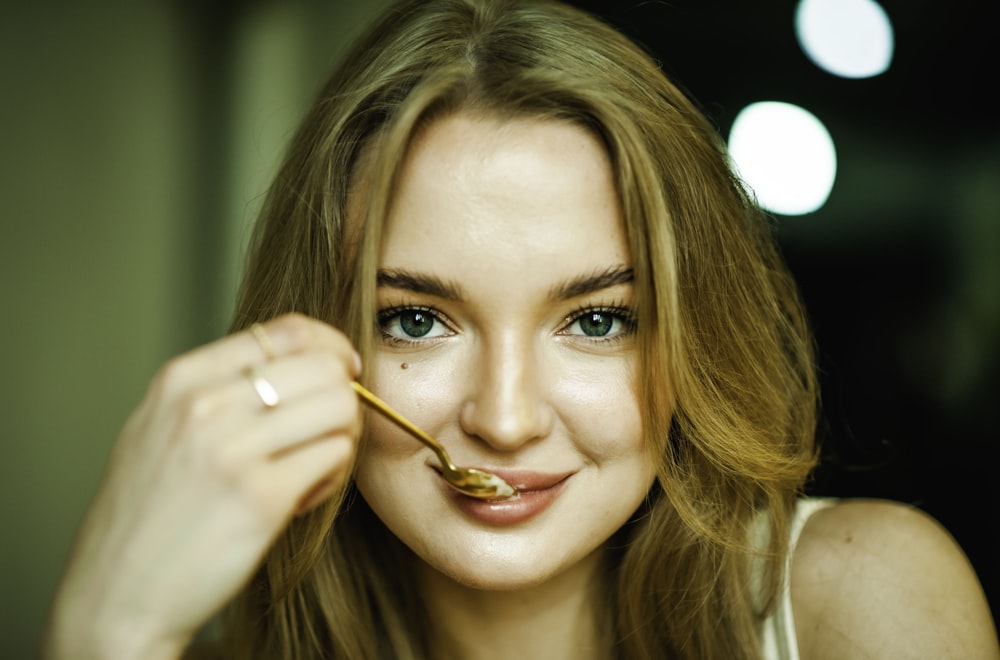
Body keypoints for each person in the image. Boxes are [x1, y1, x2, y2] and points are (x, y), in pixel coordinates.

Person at [42, 0, 999, 658]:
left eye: (596, 321)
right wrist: (109, 632)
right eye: (416, 319)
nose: (505, 421)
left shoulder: (858, 602)